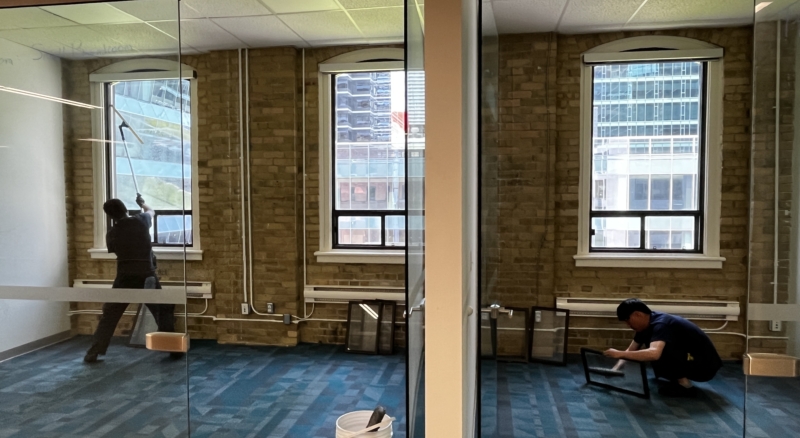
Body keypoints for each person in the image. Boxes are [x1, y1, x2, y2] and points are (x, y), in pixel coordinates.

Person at [84, 195, 177, 363]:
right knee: (161, 312)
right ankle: (174, 349)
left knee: (110, 315)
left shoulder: (112, 233)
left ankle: (94, 351)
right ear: (125, 209)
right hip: (146, 275)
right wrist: (142, 204)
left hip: (125, 277)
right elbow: (151, 211)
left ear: (110, 216)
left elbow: (114, 250)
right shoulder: (141, 221)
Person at [604, 298, 722, 397]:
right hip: (692, 359)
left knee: (657, 350)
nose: (628, 325)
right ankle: (678, 378)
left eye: (628, 321)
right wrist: (615, 369)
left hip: (705, 366)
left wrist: (619, 353)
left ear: (637, 314)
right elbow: (631, 350)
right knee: (654, 349)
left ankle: (685, 385)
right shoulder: (646, 324)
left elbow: (654, 354)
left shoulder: (661, 324)